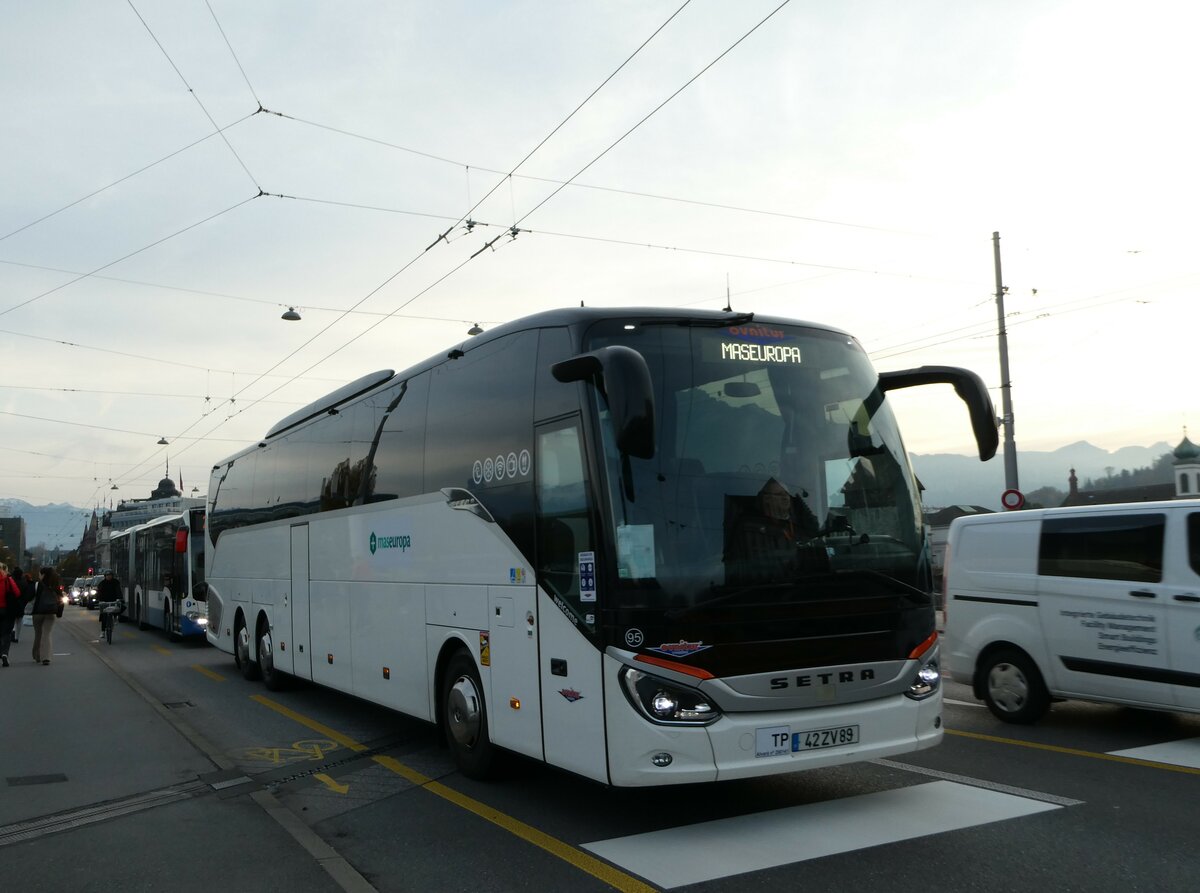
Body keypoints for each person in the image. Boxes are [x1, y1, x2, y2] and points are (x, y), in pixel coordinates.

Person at [31, 567, 64, 666]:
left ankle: (37, 655)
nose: (39, 575)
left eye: (40, 574)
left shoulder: (37, 585)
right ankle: (46, 657)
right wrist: (59, 612)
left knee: (38, 634)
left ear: (43, 575)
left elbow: (29, 597)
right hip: (51, 612)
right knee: (47, 633)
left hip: (38, 612)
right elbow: (61, 599)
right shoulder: (55, 585)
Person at [0, 563, 21, 667]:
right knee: (7, 633)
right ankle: (4, 654)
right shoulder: (8, 580)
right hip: (7, 610)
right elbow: (17, 593)